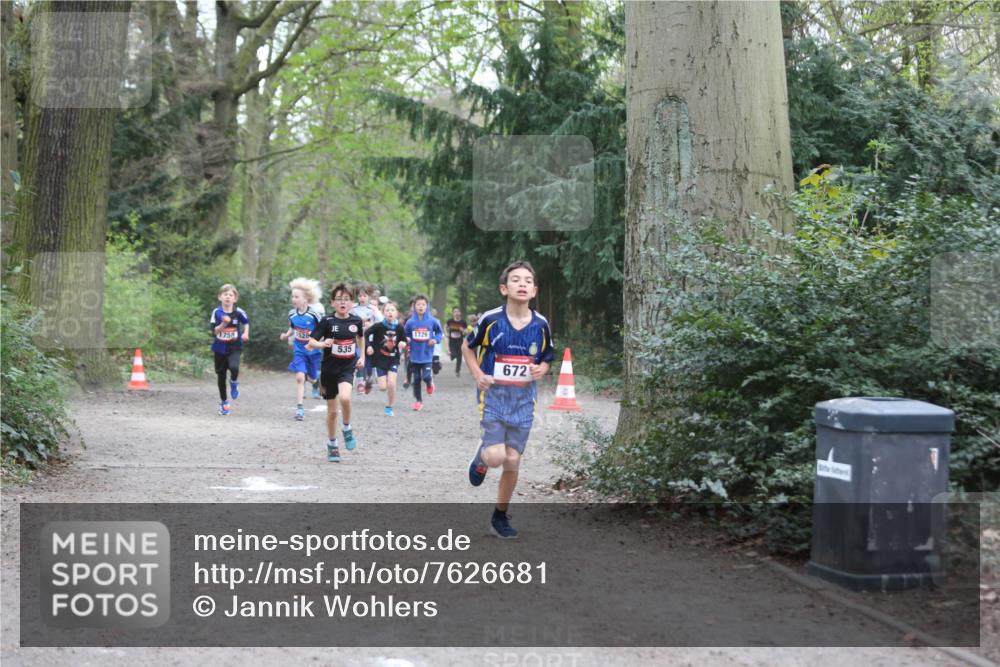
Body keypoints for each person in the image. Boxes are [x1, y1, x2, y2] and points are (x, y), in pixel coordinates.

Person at [462, 261, 553, 538]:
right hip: (492, 397)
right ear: (504, 288)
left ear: (534, 290)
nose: (522, 284)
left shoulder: (541, 324)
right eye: (515, 279)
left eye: (528, 280)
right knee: (496, 456)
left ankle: (499, 517)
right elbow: (467, 346)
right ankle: (482, 457)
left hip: (524, 401)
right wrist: (478, 374)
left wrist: (542, 369)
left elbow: (547, 357)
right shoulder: (491, 320)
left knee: (512, 461)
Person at [307, 283, 365, 462]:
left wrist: (362, 357)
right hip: (329, 370)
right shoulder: (327, 322)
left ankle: (346, 428)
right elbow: (310, 342)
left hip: (347, 367)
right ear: (332, 302)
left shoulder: (356, 321)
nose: (343, 302)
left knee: (346, 398)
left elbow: (360, 338)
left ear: (352, 303)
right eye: (339, 299)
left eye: (346, 299)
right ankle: (332, 444)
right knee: (332, 412)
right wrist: (322, 344)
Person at [279, 278, 323, 421]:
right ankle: (300, 408)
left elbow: (322, 329)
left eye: (297, 297)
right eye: (292, 296)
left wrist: (318, 341)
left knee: (312, 377)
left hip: (313, 351)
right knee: (300, 377)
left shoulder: (314, 314)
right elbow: (293, 327)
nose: (294, 299)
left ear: (306, 299)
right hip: (299, 349)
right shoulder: (292, 314)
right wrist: (286, 335)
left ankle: (316, 382)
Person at [209, 284, 250, 416]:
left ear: (235, 299)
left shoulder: (239, 312)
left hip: (235, 346)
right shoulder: (217, 312)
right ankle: (224, 402)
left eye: (230, 295)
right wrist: (224, 323)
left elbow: (246, 322)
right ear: (220, 297)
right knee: (221, 376)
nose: (227, 297)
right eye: (225, 294)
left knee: (234, 367)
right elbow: (214, 331)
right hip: (220, 348)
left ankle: (233, 381)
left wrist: (246, 333)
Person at [366, 301, 407, 417]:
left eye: (392, 310)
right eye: (387, 310)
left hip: (393, 359)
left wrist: (403, 344)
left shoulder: (399, 327)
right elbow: (365, 335)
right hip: (379, 359)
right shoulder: (378, 326)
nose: (390, 312)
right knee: (383, 387)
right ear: (383, 313)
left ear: (397, 313)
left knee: (392, 384)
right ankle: (378, 379)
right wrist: (368, 346)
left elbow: (404, 340)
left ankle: (389, 407)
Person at [403, 294, 442, 411]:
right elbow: (405, 334)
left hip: (427, 355)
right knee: (416, 380)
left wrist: (435, 340)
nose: (421, 306)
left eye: (423, 304)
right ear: (414, 306)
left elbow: (439, 333)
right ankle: (418, 401)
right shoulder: (410, 322)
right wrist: (406, 339)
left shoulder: (432, 321)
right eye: (418, 304)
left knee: (425, 377)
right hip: (414, 356)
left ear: (427, 306)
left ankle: (429, 383)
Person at [350, 283, 383, 394]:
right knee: (358, 359)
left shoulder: (373, 309)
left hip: (370, 340)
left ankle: (368, 379)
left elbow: (381, 322)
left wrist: (371, 325)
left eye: (364, 296)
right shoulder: (353, 308)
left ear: (369, 296)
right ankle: (360, 383)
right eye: (360, 296)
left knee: (369, 364)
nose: (362, 298)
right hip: (356, 339)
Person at [445, 307, 468, 377]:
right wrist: (446, 332)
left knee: (459, 357)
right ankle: (452, 356)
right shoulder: (450, 321)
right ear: (453, 313)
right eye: (455, 311)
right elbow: (446, 327)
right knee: (454, 354)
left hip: (460, 341)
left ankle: (457, 370)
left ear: (460, 313)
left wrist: (462, 330)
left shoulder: (463, 322)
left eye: (458, 311)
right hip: (452, 340)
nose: (456, 313)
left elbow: (466, 332)